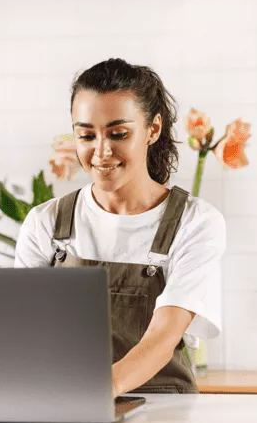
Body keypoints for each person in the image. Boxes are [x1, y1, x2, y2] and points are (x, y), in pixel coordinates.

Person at [14, 58, 226, 396]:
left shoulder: (195, 221)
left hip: (163, 412)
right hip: (67, 404)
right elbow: (23, 331)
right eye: (86, 135)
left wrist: (95, 390)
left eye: (118, 134)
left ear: (153, 129)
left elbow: (163, 335)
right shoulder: (46, 222)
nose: (101, 151)